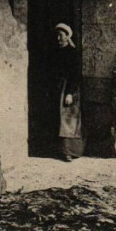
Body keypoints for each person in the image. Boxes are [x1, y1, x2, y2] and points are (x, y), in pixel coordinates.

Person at [52, 23, 82, 161]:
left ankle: (69, 152)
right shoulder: (54, 51)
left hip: (69, 89)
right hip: (58, 87)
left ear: (67, 36)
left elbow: (75, 74)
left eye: (61, 35)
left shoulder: (72, 53)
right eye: (57, 35)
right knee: (58, 119)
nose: (58, 38)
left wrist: (69, 93)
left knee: (68, 120)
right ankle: (59, 150)